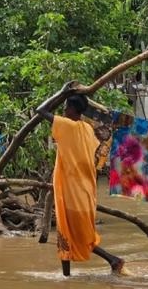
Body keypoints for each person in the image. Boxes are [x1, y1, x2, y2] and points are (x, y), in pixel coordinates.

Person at [36, 94, 127, 277]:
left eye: (66, 107)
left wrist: (61, 93)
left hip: (73, 191)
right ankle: (66, 277)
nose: (63, 111)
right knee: (66, 232)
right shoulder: (86, 128)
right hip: (82, 189)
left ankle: (113, 260)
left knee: (79, 234)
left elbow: (41, 110)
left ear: (73, 110)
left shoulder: (68, 126)